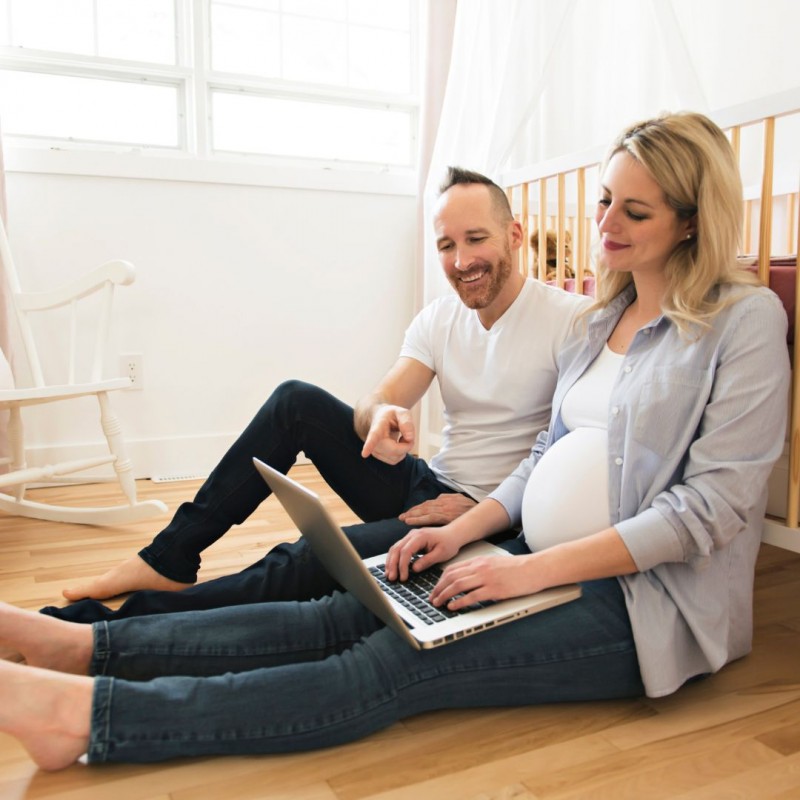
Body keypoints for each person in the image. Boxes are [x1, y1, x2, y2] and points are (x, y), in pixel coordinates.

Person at [1, 111, 789, 771]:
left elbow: (708, 509)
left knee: (385, 664)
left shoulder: (742, 323)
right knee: (338, 613)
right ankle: (87, 648)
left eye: (635, 213)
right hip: (516, 552)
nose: (605, 227)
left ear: (692, 220)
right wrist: (464, 531)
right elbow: (547, 455)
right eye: (605, 202)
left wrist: (520, 569)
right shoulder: (598, 319)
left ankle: (89, 716)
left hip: (632, 603)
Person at [49, 167, 586, 622]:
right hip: (429, 487)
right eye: (447, 245)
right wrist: (381, 417)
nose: (461, 259)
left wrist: (480, 510)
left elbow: (567, 450)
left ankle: (114, 623)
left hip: (493, 516)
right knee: (295, 402)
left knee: (311, 556)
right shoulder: (439, 318)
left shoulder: (571, 322)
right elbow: (377, 399)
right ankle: (168, 558)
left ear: (515, 235)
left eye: (477, 239)